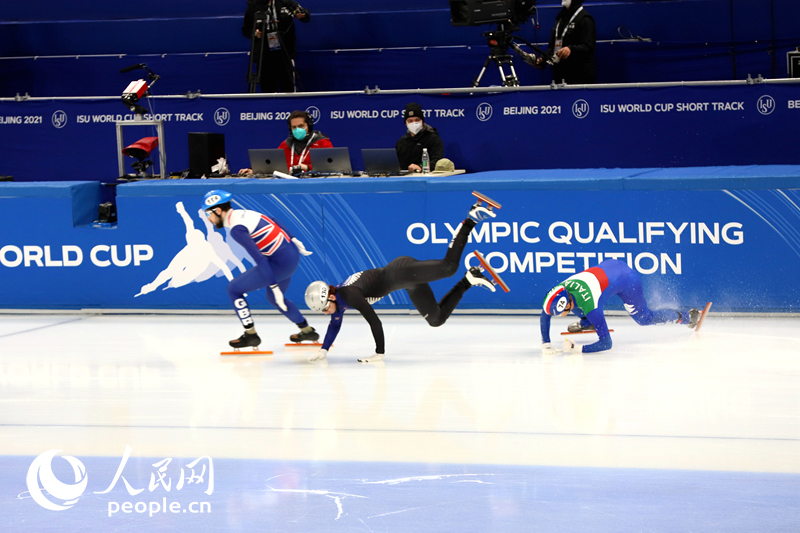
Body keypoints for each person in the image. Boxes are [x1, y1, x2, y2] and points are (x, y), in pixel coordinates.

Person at [304, 197, 501, 363]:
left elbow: (374, 321)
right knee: (435, 319)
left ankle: (471, 219)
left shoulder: (349, 294)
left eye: (323, 309)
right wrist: (324, 350)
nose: (325, 313)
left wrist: (379, 353)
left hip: (400, 273)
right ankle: (469, 279)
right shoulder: (338, 301)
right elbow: (335, 325)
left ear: (329, 297)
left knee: (448, 267)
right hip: (405, 283)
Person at [201, 189, 319, 349]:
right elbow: (272, 219)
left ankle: (251, 335)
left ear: (218, 210)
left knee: (233, 289)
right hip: (290, 256)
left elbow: (259, 259)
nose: (209, 219)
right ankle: (308, 331)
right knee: (274, 299)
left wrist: (274, 286)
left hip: (279, 263)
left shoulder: (237, 229)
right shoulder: (242, 213)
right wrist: (292, 238)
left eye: (209, 214)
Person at [540, 259, 702, 355]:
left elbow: (606, 343)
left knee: (645, 319)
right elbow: (545, 314)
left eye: (561, 312)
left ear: (566, 304)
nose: (559, 315)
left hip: (627, 280)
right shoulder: (561, 289)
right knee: (580, 308)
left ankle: (687, 317)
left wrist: (578, 349)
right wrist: (545, 343)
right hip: (611, 265)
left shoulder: (591, 306)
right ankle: (586, 322)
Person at [242, 0, 310, 93]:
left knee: (287, 86)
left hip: (284, 51)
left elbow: (305, 15)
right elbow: (245, 29)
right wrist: (255, 33)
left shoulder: (285, 3)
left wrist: (303, 14)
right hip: (263, 53)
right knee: (267, 87)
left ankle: (289, 106)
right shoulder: (253, 6)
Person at [238, 110, 333, 175]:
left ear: (309, 126)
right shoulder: (286, 144)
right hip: (287, 183)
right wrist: (254, 170)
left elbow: (331, 167)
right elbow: (272, 164)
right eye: (294, 127)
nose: (297, 129)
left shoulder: (322, 142)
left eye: (301, 126)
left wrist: (307, 167)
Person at [536, 0, 596, 84]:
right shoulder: (560, 18)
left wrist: (570, 49)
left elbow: (588, 46)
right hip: (560, 74)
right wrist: (543, 59)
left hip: (579, 75)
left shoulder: (585, 19)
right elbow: (553, 46)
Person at [395, 103, 444, 173]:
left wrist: (421, 167)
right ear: (406, 123)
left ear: (422, 122)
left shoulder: (433, 138)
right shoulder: (401, 141)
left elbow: (438, 161)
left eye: (417, 120)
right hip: (404, 177)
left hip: (426, 175)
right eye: (410, 121)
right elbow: (396, 163)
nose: (414, 123)